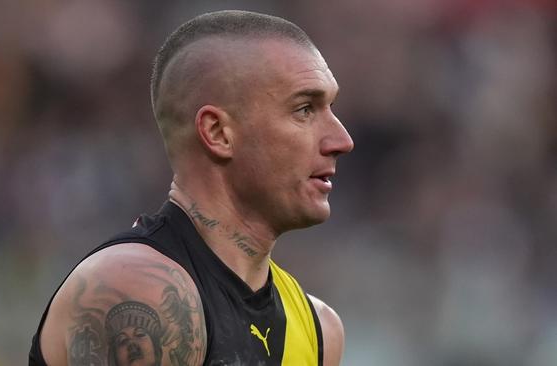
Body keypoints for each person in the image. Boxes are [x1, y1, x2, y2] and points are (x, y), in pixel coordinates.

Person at [29, 9, 354, 366]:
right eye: (305, 109)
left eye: (331, 108)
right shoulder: (139, 289)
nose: (342, 140)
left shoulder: (318, 329)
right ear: (217, 133)